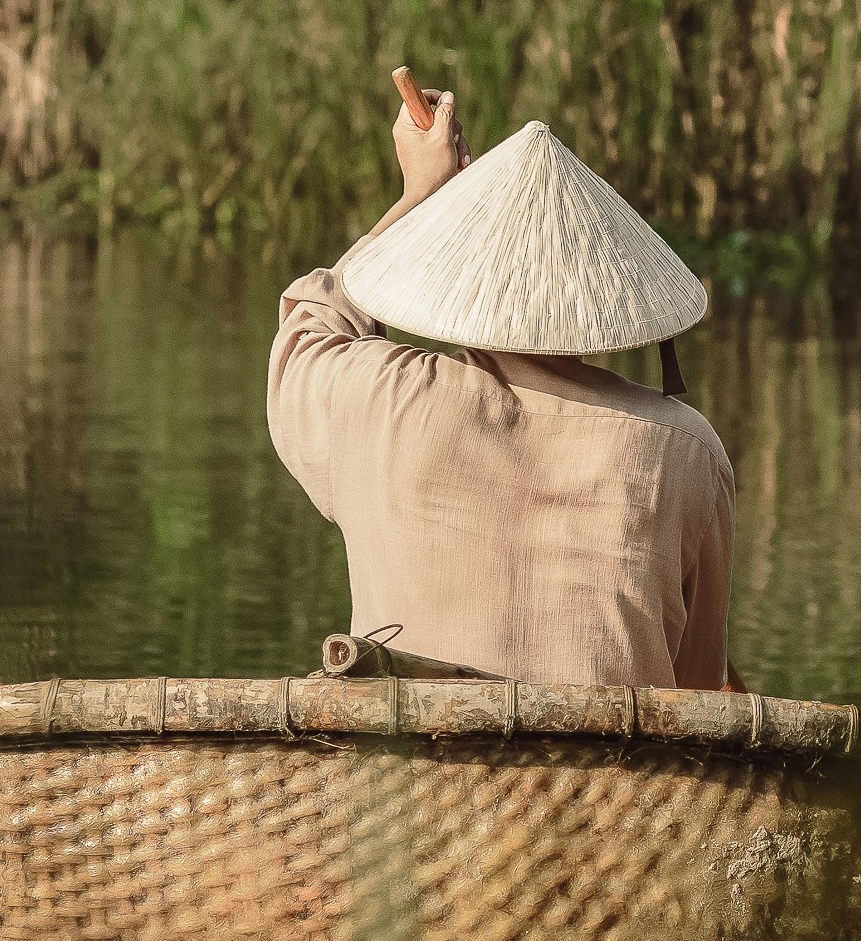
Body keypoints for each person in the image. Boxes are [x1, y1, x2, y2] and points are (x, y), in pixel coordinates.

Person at [267, 72, 737, 690]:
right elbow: (700, 700)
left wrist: (420, 196)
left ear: (459, 272)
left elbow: (309, 331)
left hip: (413, 781)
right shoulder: (688, 453)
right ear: (604, 296)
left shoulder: (378, 399)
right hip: (606, 789)